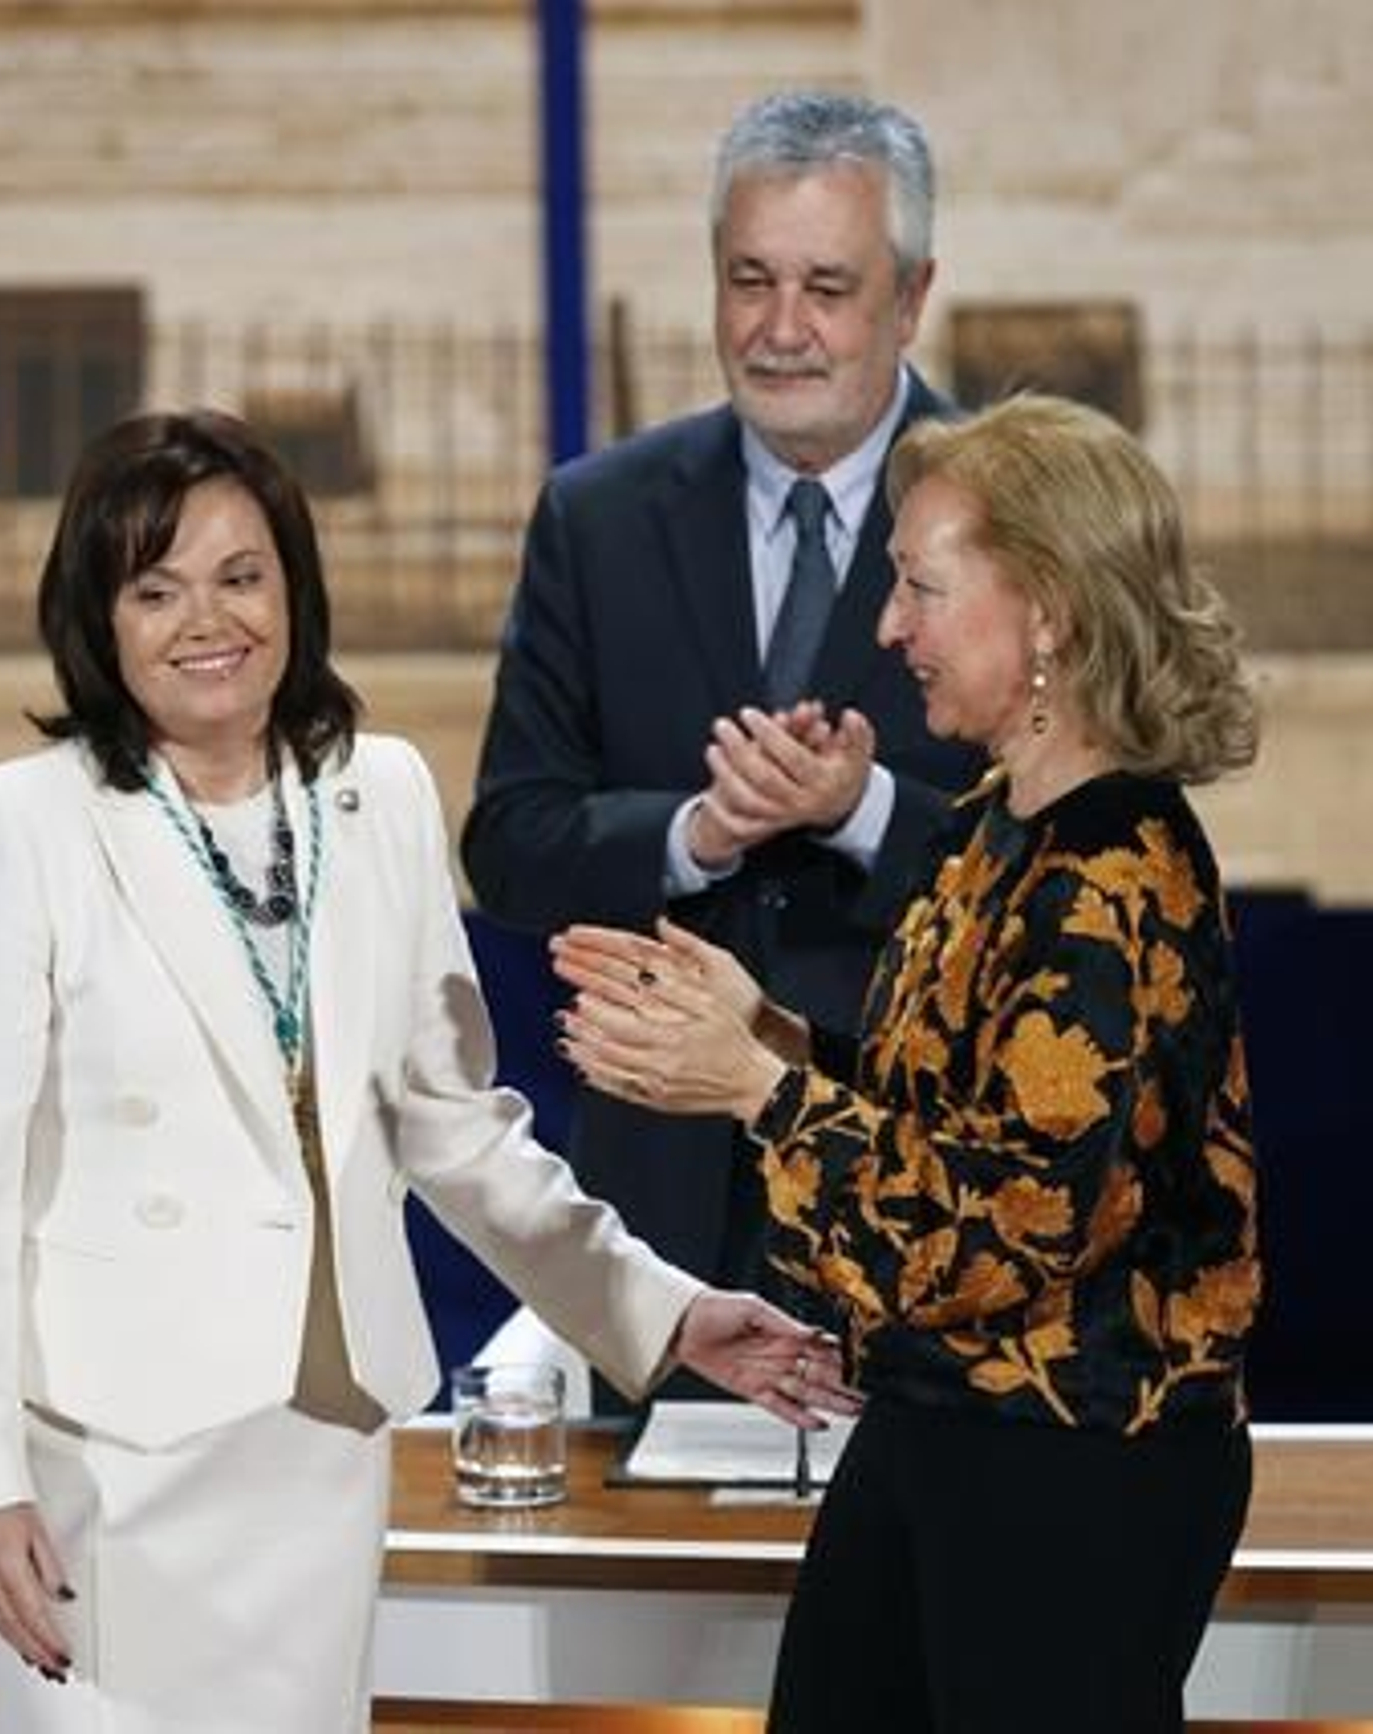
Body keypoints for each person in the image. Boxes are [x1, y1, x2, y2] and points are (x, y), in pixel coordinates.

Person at [0, 408, 857, 1734]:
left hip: (314, 1452)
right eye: (155, 587)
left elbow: (456, 1131)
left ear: (294, 585)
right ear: (97, 618)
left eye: (241, 575)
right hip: (100, 1473)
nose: (206, 619)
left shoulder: (379, 793)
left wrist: (664, 1311)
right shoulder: (19, 824)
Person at [553, 394, 1263, 1733]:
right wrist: (759, 1030)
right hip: (947, 1432)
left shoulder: (1116, 870)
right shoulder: (1005, 822)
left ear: (1047, 608)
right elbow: (936, 1107)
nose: (888, 627)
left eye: (919, 586)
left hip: (1072, 1472)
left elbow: (1013, 1222)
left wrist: (761, 1092)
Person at [462, 91, 982, 1395]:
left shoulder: (1024, 513)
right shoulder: (599, 517)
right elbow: (512, 848)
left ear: (911, 297)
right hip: (668, 1233)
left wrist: (861, 806)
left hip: (938, 1211)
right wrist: (696, 832)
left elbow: (1085, 857)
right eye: (749, 279)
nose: (781, 327)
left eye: (826, 285)